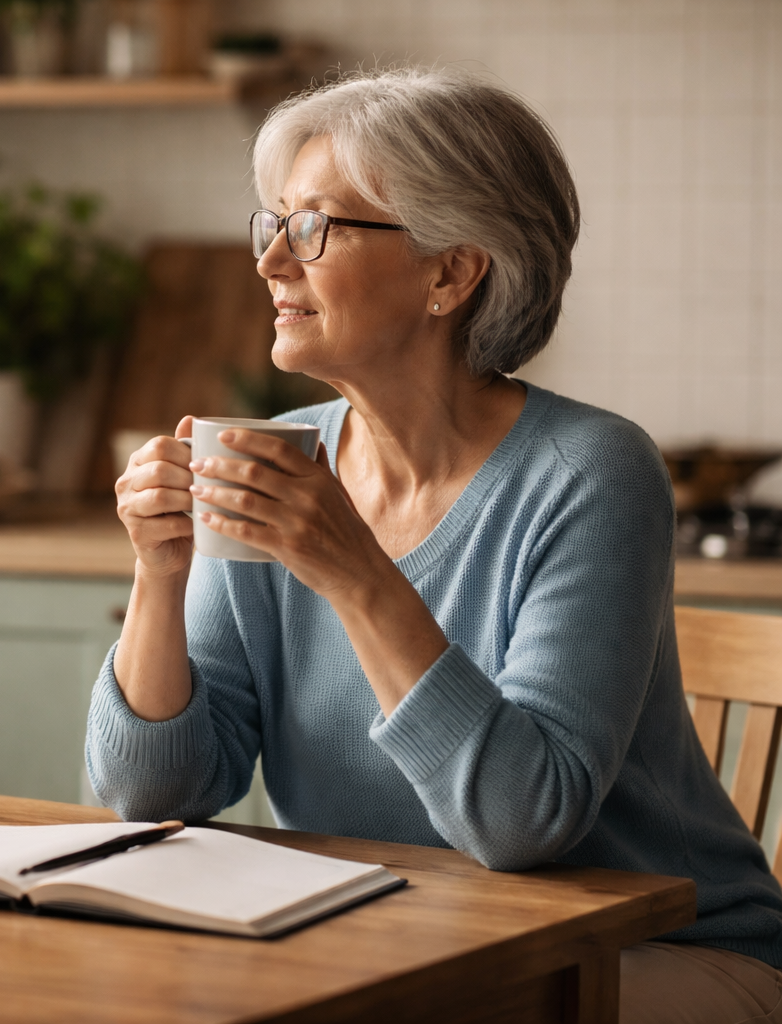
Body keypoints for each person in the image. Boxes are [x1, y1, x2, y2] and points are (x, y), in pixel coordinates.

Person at [88, 66, 782, 1023]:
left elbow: (522, 821)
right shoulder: (280, 461)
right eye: (275, 221)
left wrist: (354, 570)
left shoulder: (592, 472)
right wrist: (159, 575)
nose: (271, 262)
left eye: (316, 227)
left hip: (656, 951)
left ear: (451, 272)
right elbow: (154, 790)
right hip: (398, 937)